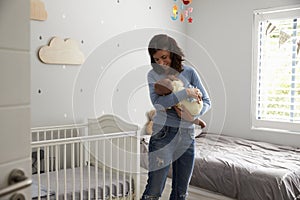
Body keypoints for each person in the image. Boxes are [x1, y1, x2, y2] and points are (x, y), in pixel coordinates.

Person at [141, 34, 211, 200]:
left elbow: (207, 102)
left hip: (187, 136)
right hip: (163, 134)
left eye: (164, 57)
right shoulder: (153, 75)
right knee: (154, 191)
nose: (161, 63)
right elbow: (158, 103)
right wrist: (185, 92)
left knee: (181, 192)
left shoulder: (190, 72)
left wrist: (193, 115)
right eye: (156, 59)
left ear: (173, 53)